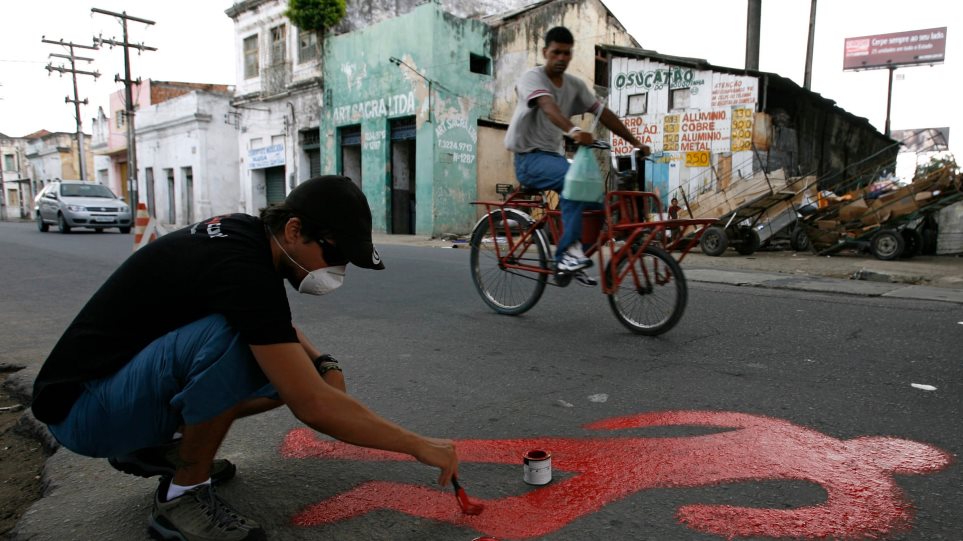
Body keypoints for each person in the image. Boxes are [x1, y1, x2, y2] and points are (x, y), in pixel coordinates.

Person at [31, 175, 459, 541]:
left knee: (285, 366)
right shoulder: (244, 271)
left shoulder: (244, 238)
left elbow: (279, 331)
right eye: (334, 254)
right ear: (294, 230)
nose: (338, 269)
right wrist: (418, 445)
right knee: (241, 348)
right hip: (83, 412)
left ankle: (151, 447)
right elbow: (313, 405)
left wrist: (324, 363)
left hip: (108, 390)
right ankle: (182, 495)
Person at [505, 26, 649, 282]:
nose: (561, 58)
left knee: (595, 198)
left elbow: (603, 113)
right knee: (574, 181)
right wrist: (572, 129)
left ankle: (576, 257)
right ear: (545, 52)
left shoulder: (575, 86)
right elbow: (548, 106)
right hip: (528, 159)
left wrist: (635, 141)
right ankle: (565, 256)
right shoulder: (532, 78)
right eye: (556, 52)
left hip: (554, 158)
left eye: (566, 54)